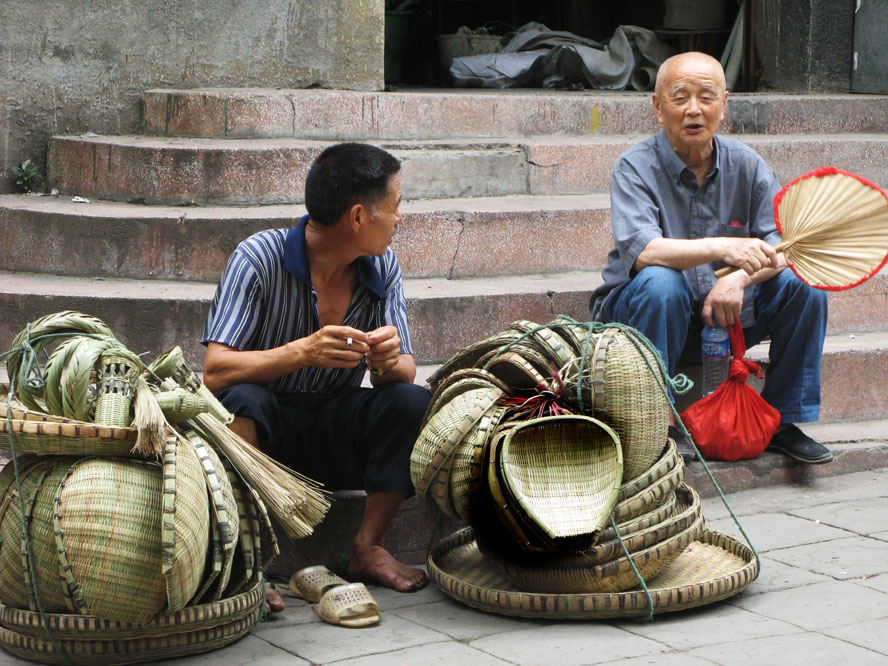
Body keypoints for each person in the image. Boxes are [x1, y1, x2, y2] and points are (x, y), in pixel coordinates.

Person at [201, 142, 431, 612]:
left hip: (333, 434)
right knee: (244, 399)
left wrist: (387, 360)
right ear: (358, 218)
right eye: (395, 206)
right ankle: (246, 567)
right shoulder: (257, 258)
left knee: (411, 399)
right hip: (262, 443)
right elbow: (214, 371)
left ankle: (367, 548)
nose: (400, 218)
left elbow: (404, 371)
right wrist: (300, 353)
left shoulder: (382, 266)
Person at [589, 51, 831, 465]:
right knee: (661, 281)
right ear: (657, 106)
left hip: (728, 317)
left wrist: (737, 279)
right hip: (648, 315)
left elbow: (786, 247)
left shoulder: (748, 165)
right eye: (680, 97)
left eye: (706, 96)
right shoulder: (634, 167)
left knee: (803, 285)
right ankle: (655, 426)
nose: (694, 109)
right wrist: (723, 247)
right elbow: (645, 250)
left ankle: (783, 422)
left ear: (724, 103)